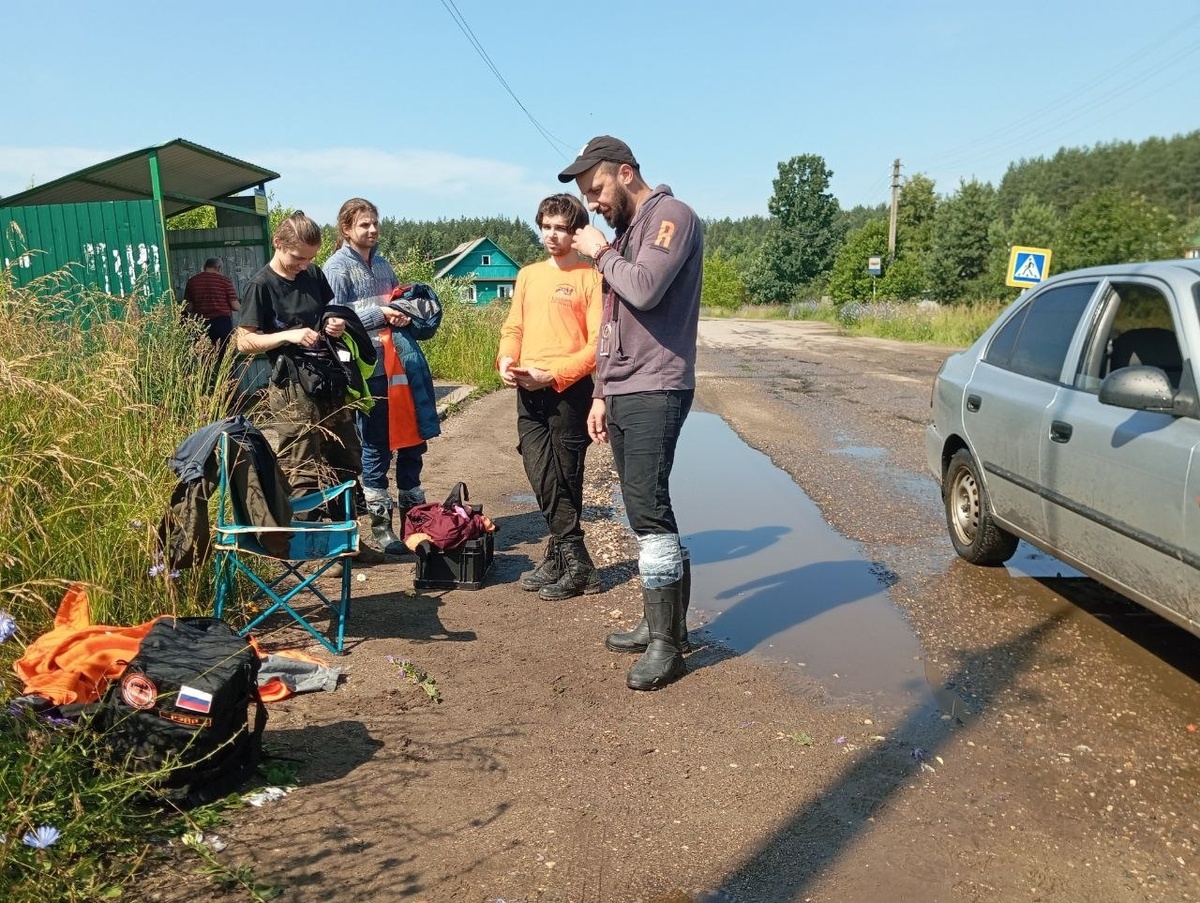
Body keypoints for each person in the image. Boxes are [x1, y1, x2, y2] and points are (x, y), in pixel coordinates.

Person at [557, 136, 704, 691]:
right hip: (623, 388)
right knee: (643, 507)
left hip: (657, 386)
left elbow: (643, 289)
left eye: (596, 190)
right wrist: (599, 391)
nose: (592, 204)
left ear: (624, 172)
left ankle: (669, 644)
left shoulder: (671, 216)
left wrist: (599, 252)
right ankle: (661, 624)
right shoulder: (626, 234)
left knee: (649, 510)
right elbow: (614, 322)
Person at [497, 193, 603, 601]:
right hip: (527, 389)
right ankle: (569, 558)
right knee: (541, 473)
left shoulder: (591, 277)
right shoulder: (528, 275)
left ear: (576, 233)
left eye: (561, 228)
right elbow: (514, 326)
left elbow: (597, 346)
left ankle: (572, 565)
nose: (552, 235)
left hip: (569, 392)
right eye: (547, 227)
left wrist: (553, 375)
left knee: (565, 476)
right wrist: (506, 359)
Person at [322, 198, 442, 554]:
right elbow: (333, 318)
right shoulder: (336, 267)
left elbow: (394, 305)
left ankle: (414, 517)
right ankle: (380, 524)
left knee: (412, 438)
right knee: (375, 443)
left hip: (399, 362)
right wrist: (382, 314)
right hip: (367, 367)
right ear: (346, 229)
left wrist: (402, 314)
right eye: (363, 225)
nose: (372, 230)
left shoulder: (385, 264)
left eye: (374, 223)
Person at [234, 211, 366, 513]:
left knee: (346, 461)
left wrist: (335, 324)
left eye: (309, 258)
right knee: (302, 468)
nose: (304, 265)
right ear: (278, 243)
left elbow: (328, 312)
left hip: (330, 380)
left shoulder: (313, 275)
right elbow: (244, 341)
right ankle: (308, 544)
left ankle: (348, 542)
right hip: (293, 389)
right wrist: (288, 336)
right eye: (298, 258)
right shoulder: (261, 285)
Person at [183, 257, 240, 371]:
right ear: (219, 268)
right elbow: (235, 306)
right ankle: (229, 387)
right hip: (222, 324)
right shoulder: (225, 281)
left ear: (205, 267)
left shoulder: (192, 281)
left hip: (201, 324)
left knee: (204, 361)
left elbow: (188, 307)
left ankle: (205, 386)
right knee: (226, 361)